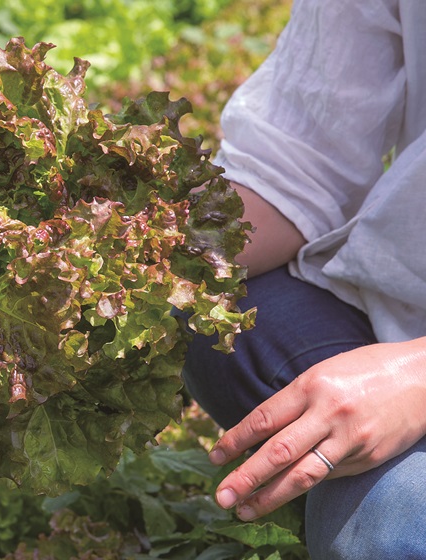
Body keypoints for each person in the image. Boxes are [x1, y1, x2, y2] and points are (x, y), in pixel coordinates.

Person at [180, 1, 426, 558]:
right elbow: (299, 166)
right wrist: (126, 252)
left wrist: (415, 379)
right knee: (214, 308)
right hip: (402, 307)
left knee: (391, 529)